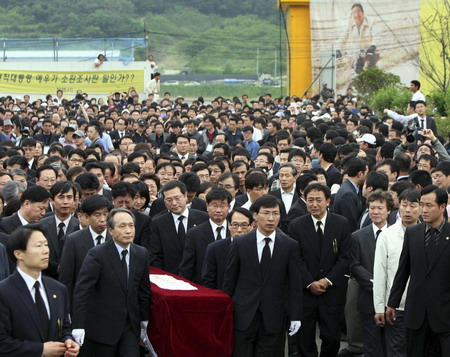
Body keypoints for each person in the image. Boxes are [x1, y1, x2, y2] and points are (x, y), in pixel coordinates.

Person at [223, 194, 302, 356]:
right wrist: (226, 312)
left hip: (274, 315)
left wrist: (295, 316)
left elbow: (294, 283)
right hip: (243, 314)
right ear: (255, 215)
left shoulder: (289, 245)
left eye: (275, 213)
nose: (271, 218)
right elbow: (229, 281)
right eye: (266, 213)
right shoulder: (240, 243)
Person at [72, 208, 151, 356]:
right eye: (122, 226)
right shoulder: (97, 254)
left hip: (130, 325)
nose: (128, 230)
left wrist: (144, 319)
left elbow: (143, 289)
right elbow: (83, 291)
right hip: (102, 327)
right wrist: (78, 325)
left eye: (131, 226)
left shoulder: (141, 253)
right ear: (111, 230)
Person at [288, 183, 351, 356]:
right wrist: (310, 282)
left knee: (331, 336)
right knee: (305, 337)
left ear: (328, 201)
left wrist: (327, 280)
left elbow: (345, 257)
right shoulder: (296, 226)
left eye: (318, 200)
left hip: (332, 290)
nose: (314, 204)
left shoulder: (341, 223)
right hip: (306, 291)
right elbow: (295, 259)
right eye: (310, 200)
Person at [387, 185, 450, 356]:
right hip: (416, 312)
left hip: (444, 314)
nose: (424, 210)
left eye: (429, 205)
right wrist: (392, 302)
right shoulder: (413, 233)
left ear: (442, 207)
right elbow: (403, 271)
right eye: (422, 205)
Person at [0, 225, 79, 357]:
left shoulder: (58, 289)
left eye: (46, 245)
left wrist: (68, 341)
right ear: (18, 253)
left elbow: (64, 326)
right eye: (38, 246)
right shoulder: (4, 292)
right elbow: (2, 342)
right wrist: (40, 350)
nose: (45, 251)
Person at [373, 189, 421, 357]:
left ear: (421, 208)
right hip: (395, 307)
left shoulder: (428, 234)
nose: (408, 210)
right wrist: (379, 307)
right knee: (396, 350)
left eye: (413, 205)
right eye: (404, 205)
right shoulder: (387, 235)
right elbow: (380, 273)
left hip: (422, 306)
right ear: (398, 206)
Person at [351, 190, 394, 357]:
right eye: (372, 208)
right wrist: (375, 283)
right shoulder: (357, 236)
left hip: (393, 298)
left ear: (389, 210)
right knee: (371, 345)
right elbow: (354, 265)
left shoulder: (398, 234)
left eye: (380, 208)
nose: (375, 212)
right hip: (367, 298)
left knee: (393, 344)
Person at [58, 195, 112, 304]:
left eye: (106, 214)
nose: (103, 219)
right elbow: (66, 278)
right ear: (86, 217)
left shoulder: (115, 238)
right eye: (97, 215)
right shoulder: (73, 240)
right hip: (83, 302)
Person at [150, 181, 208, 274]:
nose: (174, 203)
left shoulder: (203, 218)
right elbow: (155, 255)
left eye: (177, 198)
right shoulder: (157, 223)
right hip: (170, 278)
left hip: (198, 276)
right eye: (169, 200)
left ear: (185, 196)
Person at [179, 187, 231, 284]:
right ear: (207, 206)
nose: (218, 210)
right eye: (214, 206)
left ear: (229, 207)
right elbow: (187, 266)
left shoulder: (236, 232)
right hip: (203, 286)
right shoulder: (194, 233)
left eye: (223, 206)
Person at [202, 207, 254, 291]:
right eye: (235, 225)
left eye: (244, 225)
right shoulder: (214, 248)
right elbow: (208, 281)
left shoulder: (257, 248)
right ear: (229, 225)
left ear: (251, 226)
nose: (239, 230)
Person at [40, 182, 80, 280]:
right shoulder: (41, 225)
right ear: (52, 201)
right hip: (46, 278)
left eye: (69, 197)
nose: (65, 202)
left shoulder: (79, 226)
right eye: (61, 197)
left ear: (75, 201)